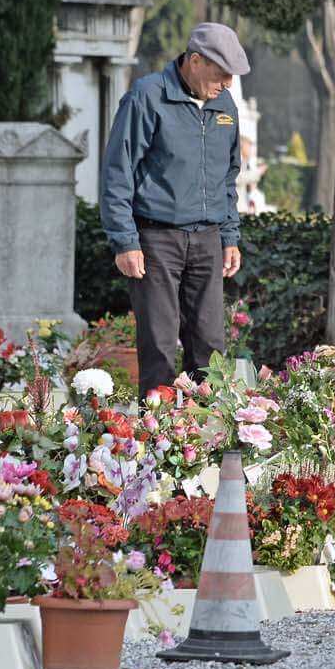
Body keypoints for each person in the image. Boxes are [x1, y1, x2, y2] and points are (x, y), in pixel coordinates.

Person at [100, 23, 247, 398]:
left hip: (208, 239)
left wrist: (229, 236)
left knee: (210, 347)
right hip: (156, 238)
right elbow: (118, 171)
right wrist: (125, 241)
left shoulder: (225, 106)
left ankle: (209, 428)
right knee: (159, 345)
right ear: (195, 61)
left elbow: (228, 177)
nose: (228, 84)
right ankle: (158, 430)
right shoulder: (147, 97)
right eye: (221, 74)